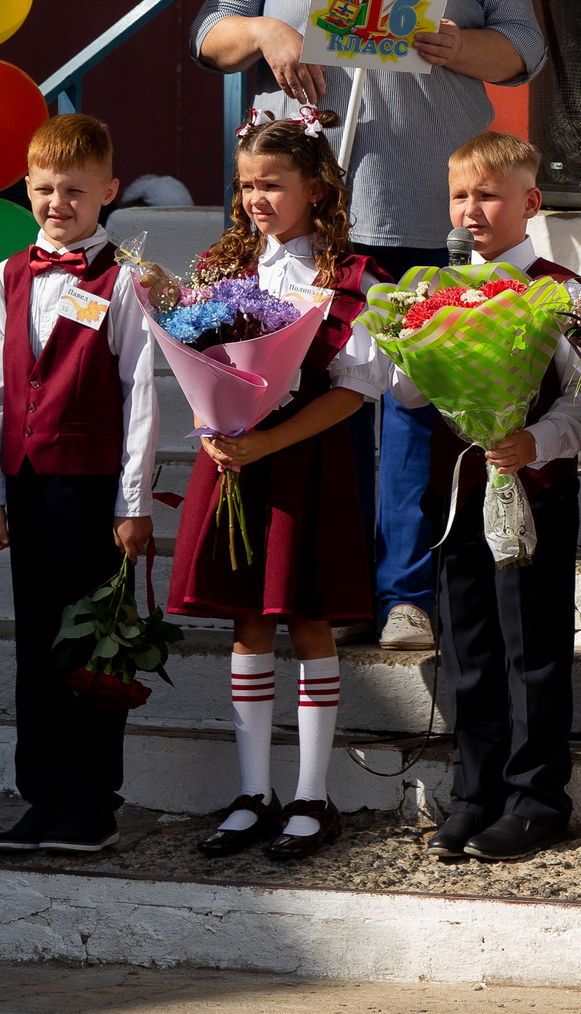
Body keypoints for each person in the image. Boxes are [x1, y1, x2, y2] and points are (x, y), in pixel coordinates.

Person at [194, 0, 548, 651]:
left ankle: (405, 592)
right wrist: (270, 29)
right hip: (317, 217)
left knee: (416, 407)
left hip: (427, 201)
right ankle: (333, 588)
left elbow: (524, 49)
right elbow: (211, 32)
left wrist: (457, 45)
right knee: (320, 407)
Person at [168, 108, 384, 862]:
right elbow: (195, 362)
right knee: (247, 621)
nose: (258, 197)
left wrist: (265, 439)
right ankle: (253, 790)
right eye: (247, 185)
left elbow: (354, 390)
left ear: (317, 188)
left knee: (310, 618)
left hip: (305, 458)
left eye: (273, 183)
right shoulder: (219, 268)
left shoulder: (351, 277)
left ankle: (310, 795)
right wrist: (218, 432)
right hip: (234, 459)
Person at [390, 131, 581, 865]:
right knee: (469, 646)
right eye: (460, 196)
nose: (471, 209)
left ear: (530, 202)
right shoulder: (439, 285)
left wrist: (535, 441)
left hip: (532, 489)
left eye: (487, 194)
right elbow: (409, 388)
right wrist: (416, 331)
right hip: (460, 493)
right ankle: (474, 792)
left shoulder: (560, 286)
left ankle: (537, 798)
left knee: (530, 649)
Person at [0, 114, 160, 857]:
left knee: (94, 647)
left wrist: (133, 502)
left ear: (108, 192)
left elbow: (138, 393)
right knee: (36, 646)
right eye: (46, 188)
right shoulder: (7, 275)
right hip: (25, 485)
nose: (58, 202)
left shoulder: (125, 278)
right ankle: (43, 796)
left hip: (90, 491)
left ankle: (93, 801)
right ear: (26, 187)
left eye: (75, 190)